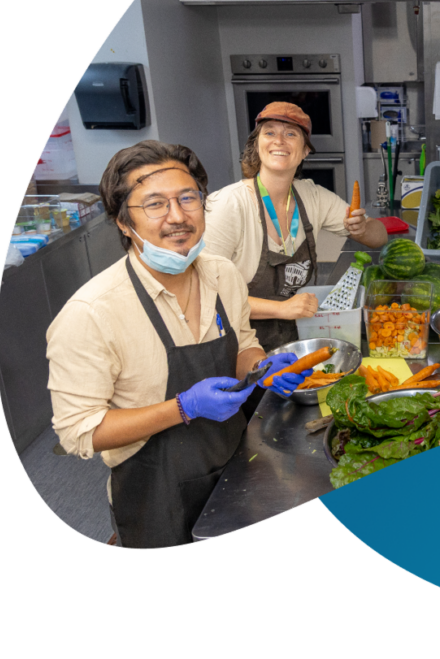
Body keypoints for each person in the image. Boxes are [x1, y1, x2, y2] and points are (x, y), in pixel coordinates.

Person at [46, 141, 310, 549]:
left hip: (235, 467)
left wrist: (263, 367)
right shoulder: (90, 313)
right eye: (154, 204)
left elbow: (243, 342)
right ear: (122, 221)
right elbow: (80, 431)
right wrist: (183, 408)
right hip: (155, 494)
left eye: (188, 198)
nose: (177, 216)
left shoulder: (223, 274)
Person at [203, 102, 388, 355]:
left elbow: (379, 237)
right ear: (257, 146)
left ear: (305, 152)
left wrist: (360, 228)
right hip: (238, 346)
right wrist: (281, 309)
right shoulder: (228, 205)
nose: (279, 140)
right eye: (269, 133)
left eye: (291, 134)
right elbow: (206, 294)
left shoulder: (312, 197)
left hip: (296, 338)